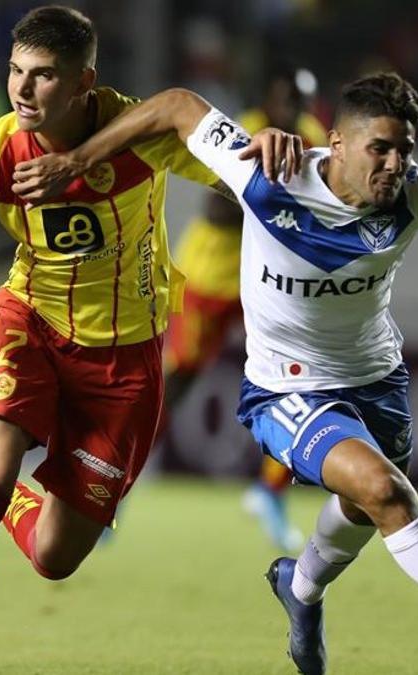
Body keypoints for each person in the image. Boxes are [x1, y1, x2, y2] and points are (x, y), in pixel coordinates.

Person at [10, 72, 418, 675]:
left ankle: (302, 587)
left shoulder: (417, 193)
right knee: (387, 492)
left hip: (377, 384)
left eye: (405, 150)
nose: (397, 165)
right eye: (382, 150)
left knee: (365, 504)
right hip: (285, 390)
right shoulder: (267, 173)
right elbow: (180, 107)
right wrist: (76, 159)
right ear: (337, 144)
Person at [0, 7, 220, 674]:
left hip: (125, 360)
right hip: (30, 326)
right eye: (16, 71)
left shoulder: (135, 133)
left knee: (53, 557)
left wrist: (275, 155)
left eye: (43, 77)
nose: (21, 89)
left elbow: (217, 148)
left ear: (83, 84)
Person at [165, 68, 328, 553]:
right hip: (211, 275)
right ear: (269, 100)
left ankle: (270, 492)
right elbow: (216, 209)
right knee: (182, 377)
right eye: (286, 102)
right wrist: (278, 202)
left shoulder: (311, 137)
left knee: (300, 375)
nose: (293, 113)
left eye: (302, 104)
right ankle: (119, 484)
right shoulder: (245, 130)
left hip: (267, 279)